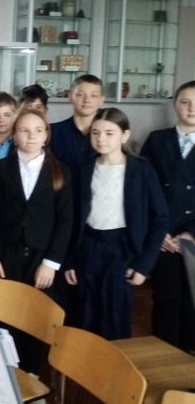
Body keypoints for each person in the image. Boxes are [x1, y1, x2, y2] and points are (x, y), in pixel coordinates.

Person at [65, 108, 168, 340]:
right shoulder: (84, 169)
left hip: (122, 248)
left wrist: (144, 265)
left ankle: (114, 360)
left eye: (109, 133)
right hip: (88, 246)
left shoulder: (142, 170)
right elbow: (72, 218)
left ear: (125, 135)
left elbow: (160, 218)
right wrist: (70, 260)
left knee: (115, 315)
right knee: (85, 312)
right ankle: (84, 360)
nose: (101, 138)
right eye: (95, 133)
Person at [0, 108, 72, 372]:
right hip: (6, 251)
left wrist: (51, 263)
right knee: (6, 309)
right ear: (14, 134)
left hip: (41, 255)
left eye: (37, 130)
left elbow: (66, 220)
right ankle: (6, 367)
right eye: (24, 130)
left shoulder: (61, 171)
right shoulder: (2, 168)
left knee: (37, 313)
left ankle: (33, 370)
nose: (31, 136)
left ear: (46, 135)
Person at [141, 81, 195, 353]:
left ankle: (187, 358)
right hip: (163, 236)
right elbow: (142, 190)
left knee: (192, 299)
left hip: (192, 236)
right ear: (175, 105)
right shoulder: (156, 140)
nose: (191, 108)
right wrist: (158, 233)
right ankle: (162, 354)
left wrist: (190, 233)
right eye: (185, 102)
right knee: (165, 297)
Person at [49, 74, 103, 323]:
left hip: (95, 223)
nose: (86, 100)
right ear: (70, 96)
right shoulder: (55, 133)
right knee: (60, 295)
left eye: (93, 95)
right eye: (80, 94)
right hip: (60, 219)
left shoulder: (106, 134)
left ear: (102, 100)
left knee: (92, 297)